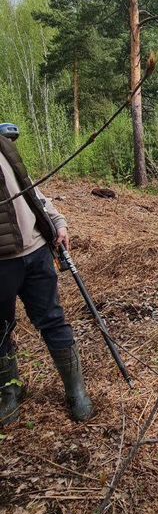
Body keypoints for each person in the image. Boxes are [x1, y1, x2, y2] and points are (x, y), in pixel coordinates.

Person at [0, 123, 93, 426]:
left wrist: (58, 221)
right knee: (0, 332)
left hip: (38, 253)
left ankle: (76, 390)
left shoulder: (5, 146)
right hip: (2, 264)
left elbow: (31, 192)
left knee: (53, 320)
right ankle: (10, 393)